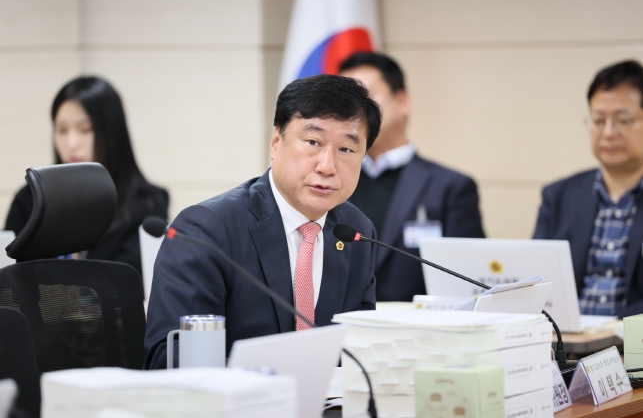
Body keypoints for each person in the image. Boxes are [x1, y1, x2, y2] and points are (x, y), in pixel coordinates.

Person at [144, 74, 382, 369]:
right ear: (276, 143)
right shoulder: (207, 229)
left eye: (346, 149)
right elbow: (168, 357)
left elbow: (359, 348)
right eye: (312, 142)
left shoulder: (357, 231)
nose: (327, 166)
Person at [339, 52, 485, 302]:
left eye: (365, 96)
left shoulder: (450, 187)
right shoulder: (331, 180)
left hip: (420, 322)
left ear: (402, 102)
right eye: (345, 100)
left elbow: (466, 280)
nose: (353, 109)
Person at [4, 77, 169, 274]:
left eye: (85, 130)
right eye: (62, 130)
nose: (72, 143)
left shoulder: (148, 202)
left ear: (111, 132)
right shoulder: (30, 200)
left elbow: (132, 279)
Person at [534, 60, 643, 318]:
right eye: (599, 120)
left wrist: (616, 332)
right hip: (567, 339)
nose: (609, 132)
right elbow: (536, 282)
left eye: (623, 120)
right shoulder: (558, 196)